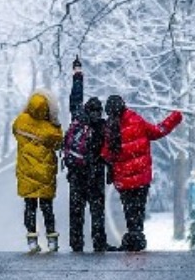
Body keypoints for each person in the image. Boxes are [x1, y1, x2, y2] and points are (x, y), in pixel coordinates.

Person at [101, 95, 183, 252]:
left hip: (123, 179)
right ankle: (137, 236)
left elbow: (107, 154)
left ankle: (133, 237)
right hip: (141, 177)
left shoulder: (110, 128)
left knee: (129, 209)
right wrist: (175, 117)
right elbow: (158, 131)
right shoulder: (136, 120)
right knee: (139, 208)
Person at [63, 56, 113, 252]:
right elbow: (110, 152)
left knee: (76, 211)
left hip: (77, 174)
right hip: (95, 175)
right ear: (100, 111)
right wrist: (110, 171)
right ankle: (99, 242)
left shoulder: (78, 117)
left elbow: (75, 97)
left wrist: (77, 75)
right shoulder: (103, 126)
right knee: (97, 210)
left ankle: (76, 243)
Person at [12, 88, 64, 253]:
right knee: (47, 207)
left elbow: (15, 132)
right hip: (45, 174)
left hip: (26, 172)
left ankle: (32, 240)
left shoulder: (20, 121)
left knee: (30, 206)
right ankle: (52, 239)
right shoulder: (50, 128)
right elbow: (59, 143)